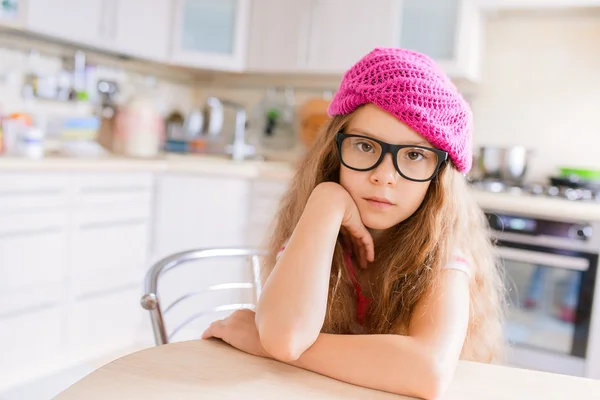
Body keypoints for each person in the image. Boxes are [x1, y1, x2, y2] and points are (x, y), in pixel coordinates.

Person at [202, 47, 506, 400]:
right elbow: (286, 337)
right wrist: (325, 202)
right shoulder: (318, 232)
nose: (384, 176)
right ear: (335, 152)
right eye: (364, 146)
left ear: (439, 176)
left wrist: (262, 343)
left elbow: (427, 372)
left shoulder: (440, 256)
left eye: (414, 155)